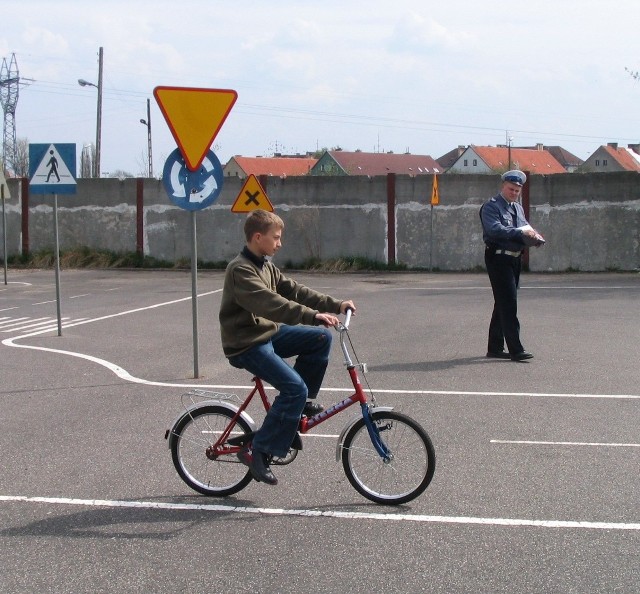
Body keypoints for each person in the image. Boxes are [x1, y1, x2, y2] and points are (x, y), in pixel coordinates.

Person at [219, 209, 356, 485]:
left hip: (266, 334)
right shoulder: (241, 270)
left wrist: (335, 305)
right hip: (246, 344)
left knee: (320, 339)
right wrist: (312, 316)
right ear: (258, 238)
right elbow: (272, 304)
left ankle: (300, 406)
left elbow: (294, 290)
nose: (279, 243)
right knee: (294, 387)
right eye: (276, 238)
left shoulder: (265, 265)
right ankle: (257, 451)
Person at [479, 170, 544, 362]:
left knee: (502, 302)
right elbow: (495, 229)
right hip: (498, 258)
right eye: (511, 189)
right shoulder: (491, 207)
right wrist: (519, 233)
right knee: (509, 303)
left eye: (517, 190)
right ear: (503, 186)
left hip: (514, 258)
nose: (514, 193)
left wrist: (535, 237)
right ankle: (516, 349)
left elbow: (525, 228)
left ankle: (495, 347)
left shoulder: (517, 208)